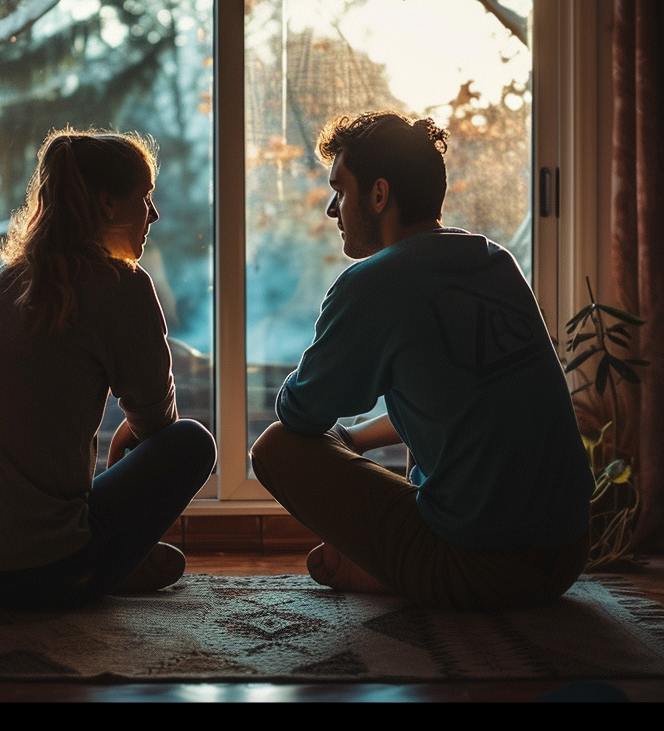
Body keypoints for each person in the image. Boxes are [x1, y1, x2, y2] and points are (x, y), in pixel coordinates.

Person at [250, 111, 593, 610]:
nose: (331, 209)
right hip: (566, 556)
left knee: (276, 448)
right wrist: (356, 440)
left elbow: (299, 413)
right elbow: (460, 399)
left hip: (480, 565)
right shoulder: (493, 261)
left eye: (340, 191)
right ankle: (396, 563)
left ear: (379, 195)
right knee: (417, 421)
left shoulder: (374, 283)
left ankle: (395, 573)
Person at [0, 129, 215, 610]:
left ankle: (96, 563)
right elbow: (159, 427)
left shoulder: (6, 280)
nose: (153, 214)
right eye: (146, 197)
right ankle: (91, 571)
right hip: (36, 575)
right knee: (194, 444)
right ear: (109, 204)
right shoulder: (122, 285)